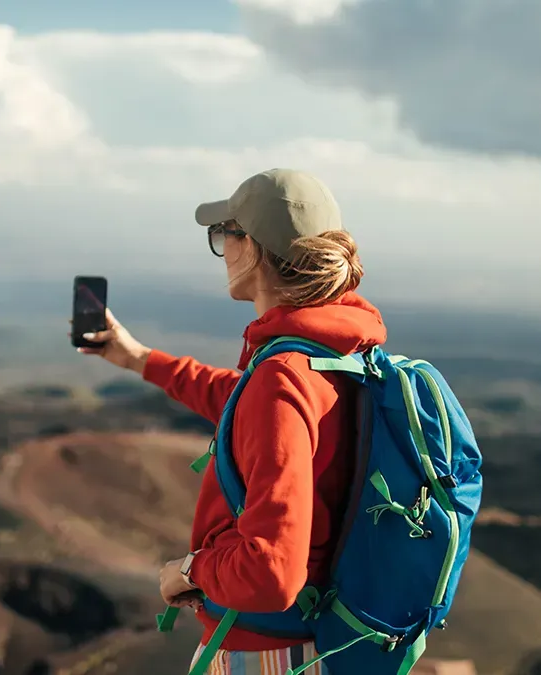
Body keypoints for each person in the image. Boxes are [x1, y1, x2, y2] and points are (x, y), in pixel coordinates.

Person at [75, 168, 386, 674]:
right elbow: (236, 399)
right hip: (313, 641)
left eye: (224, 233)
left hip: (264, 653)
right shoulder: (332, 354)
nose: (222, 247)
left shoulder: (282, 376)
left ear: (255, 248)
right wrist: (136, 358)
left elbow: (272, 571)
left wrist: (190, 570)